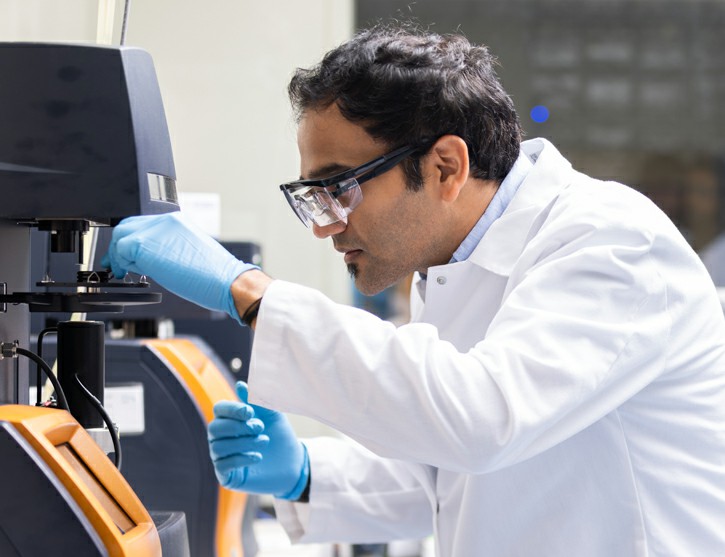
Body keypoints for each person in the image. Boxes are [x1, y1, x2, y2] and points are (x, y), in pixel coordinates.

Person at [102, 22, 725, 556]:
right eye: (310, 199)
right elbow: (453, 476)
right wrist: (305, 474)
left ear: (446, 167)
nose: (327, 227)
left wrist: (251, 291)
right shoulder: (455, 265)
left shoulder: (610, 243)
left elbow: (483, 421)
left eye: (338, 189)